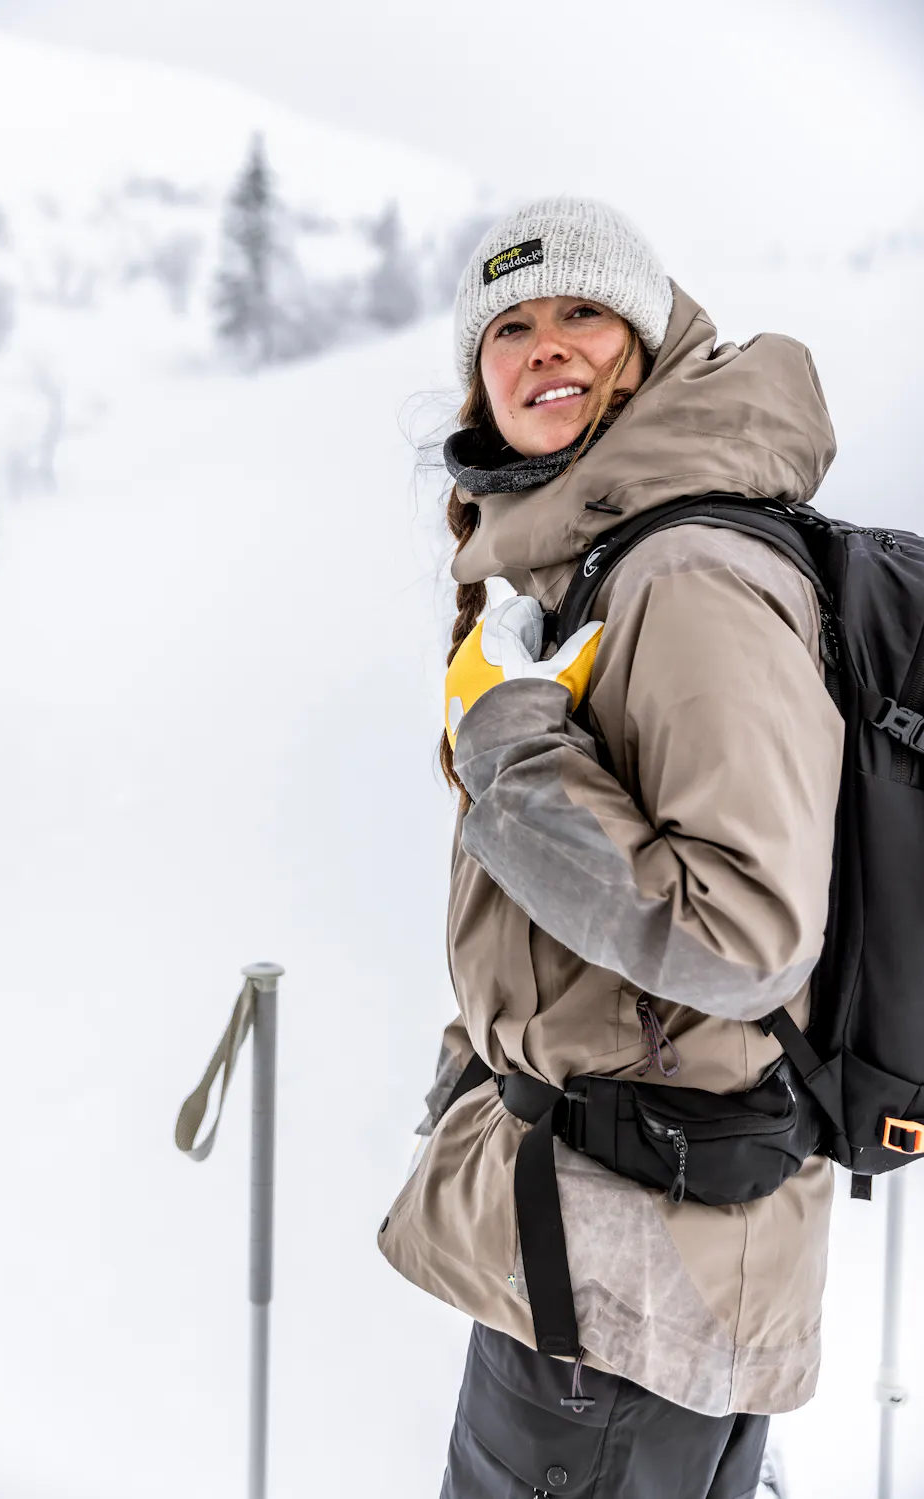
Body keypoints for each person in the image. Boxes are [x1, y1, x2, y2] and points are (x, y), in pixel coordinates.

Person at [378, 197, 845, 1498]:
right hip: (614, 1251)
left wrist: (509, 739)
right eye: (510, 327)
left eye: (582, 309)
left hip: (628, 1279)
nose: (547, 347)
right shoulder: (592, 564)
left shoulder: (682, 574)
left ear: (643, 341)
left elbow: (742, 934)